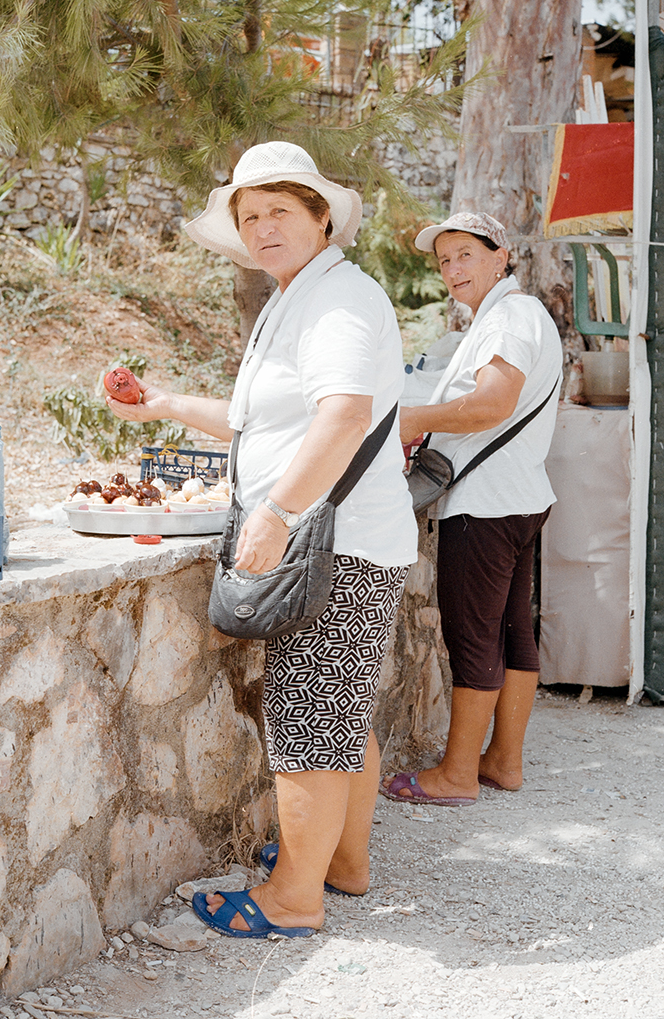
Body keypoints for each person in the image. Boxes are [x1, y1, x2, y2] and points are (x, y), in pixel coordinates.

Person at [106, 141, 417, 937]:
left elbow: (343, 415)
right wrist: (166, 403)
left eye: (280, 209)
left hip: (331, 539)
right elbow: (257, 422)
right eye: (249, 216)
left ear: (321, 217)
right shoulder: (297, 299)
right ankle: (342, 866)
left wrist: (274, 514)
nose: (262, 226)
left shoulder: (338, 301)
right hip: (345, 536)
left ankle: (292, 900)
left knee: (309, 714)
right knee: (340, 712)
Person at [381, 211, 562, 807]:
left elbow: (492, 404)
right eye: (444, 261)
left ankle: (457, 775)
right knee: (513, 633)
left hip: (485, 505)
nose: (454, 269)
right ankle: (503, 761)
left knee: (474, 636)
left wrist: (410, 421)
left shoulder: (507, 319)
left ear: (500, 255)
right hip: (522, 498)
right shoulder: (515, 315)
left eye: (465, 254)